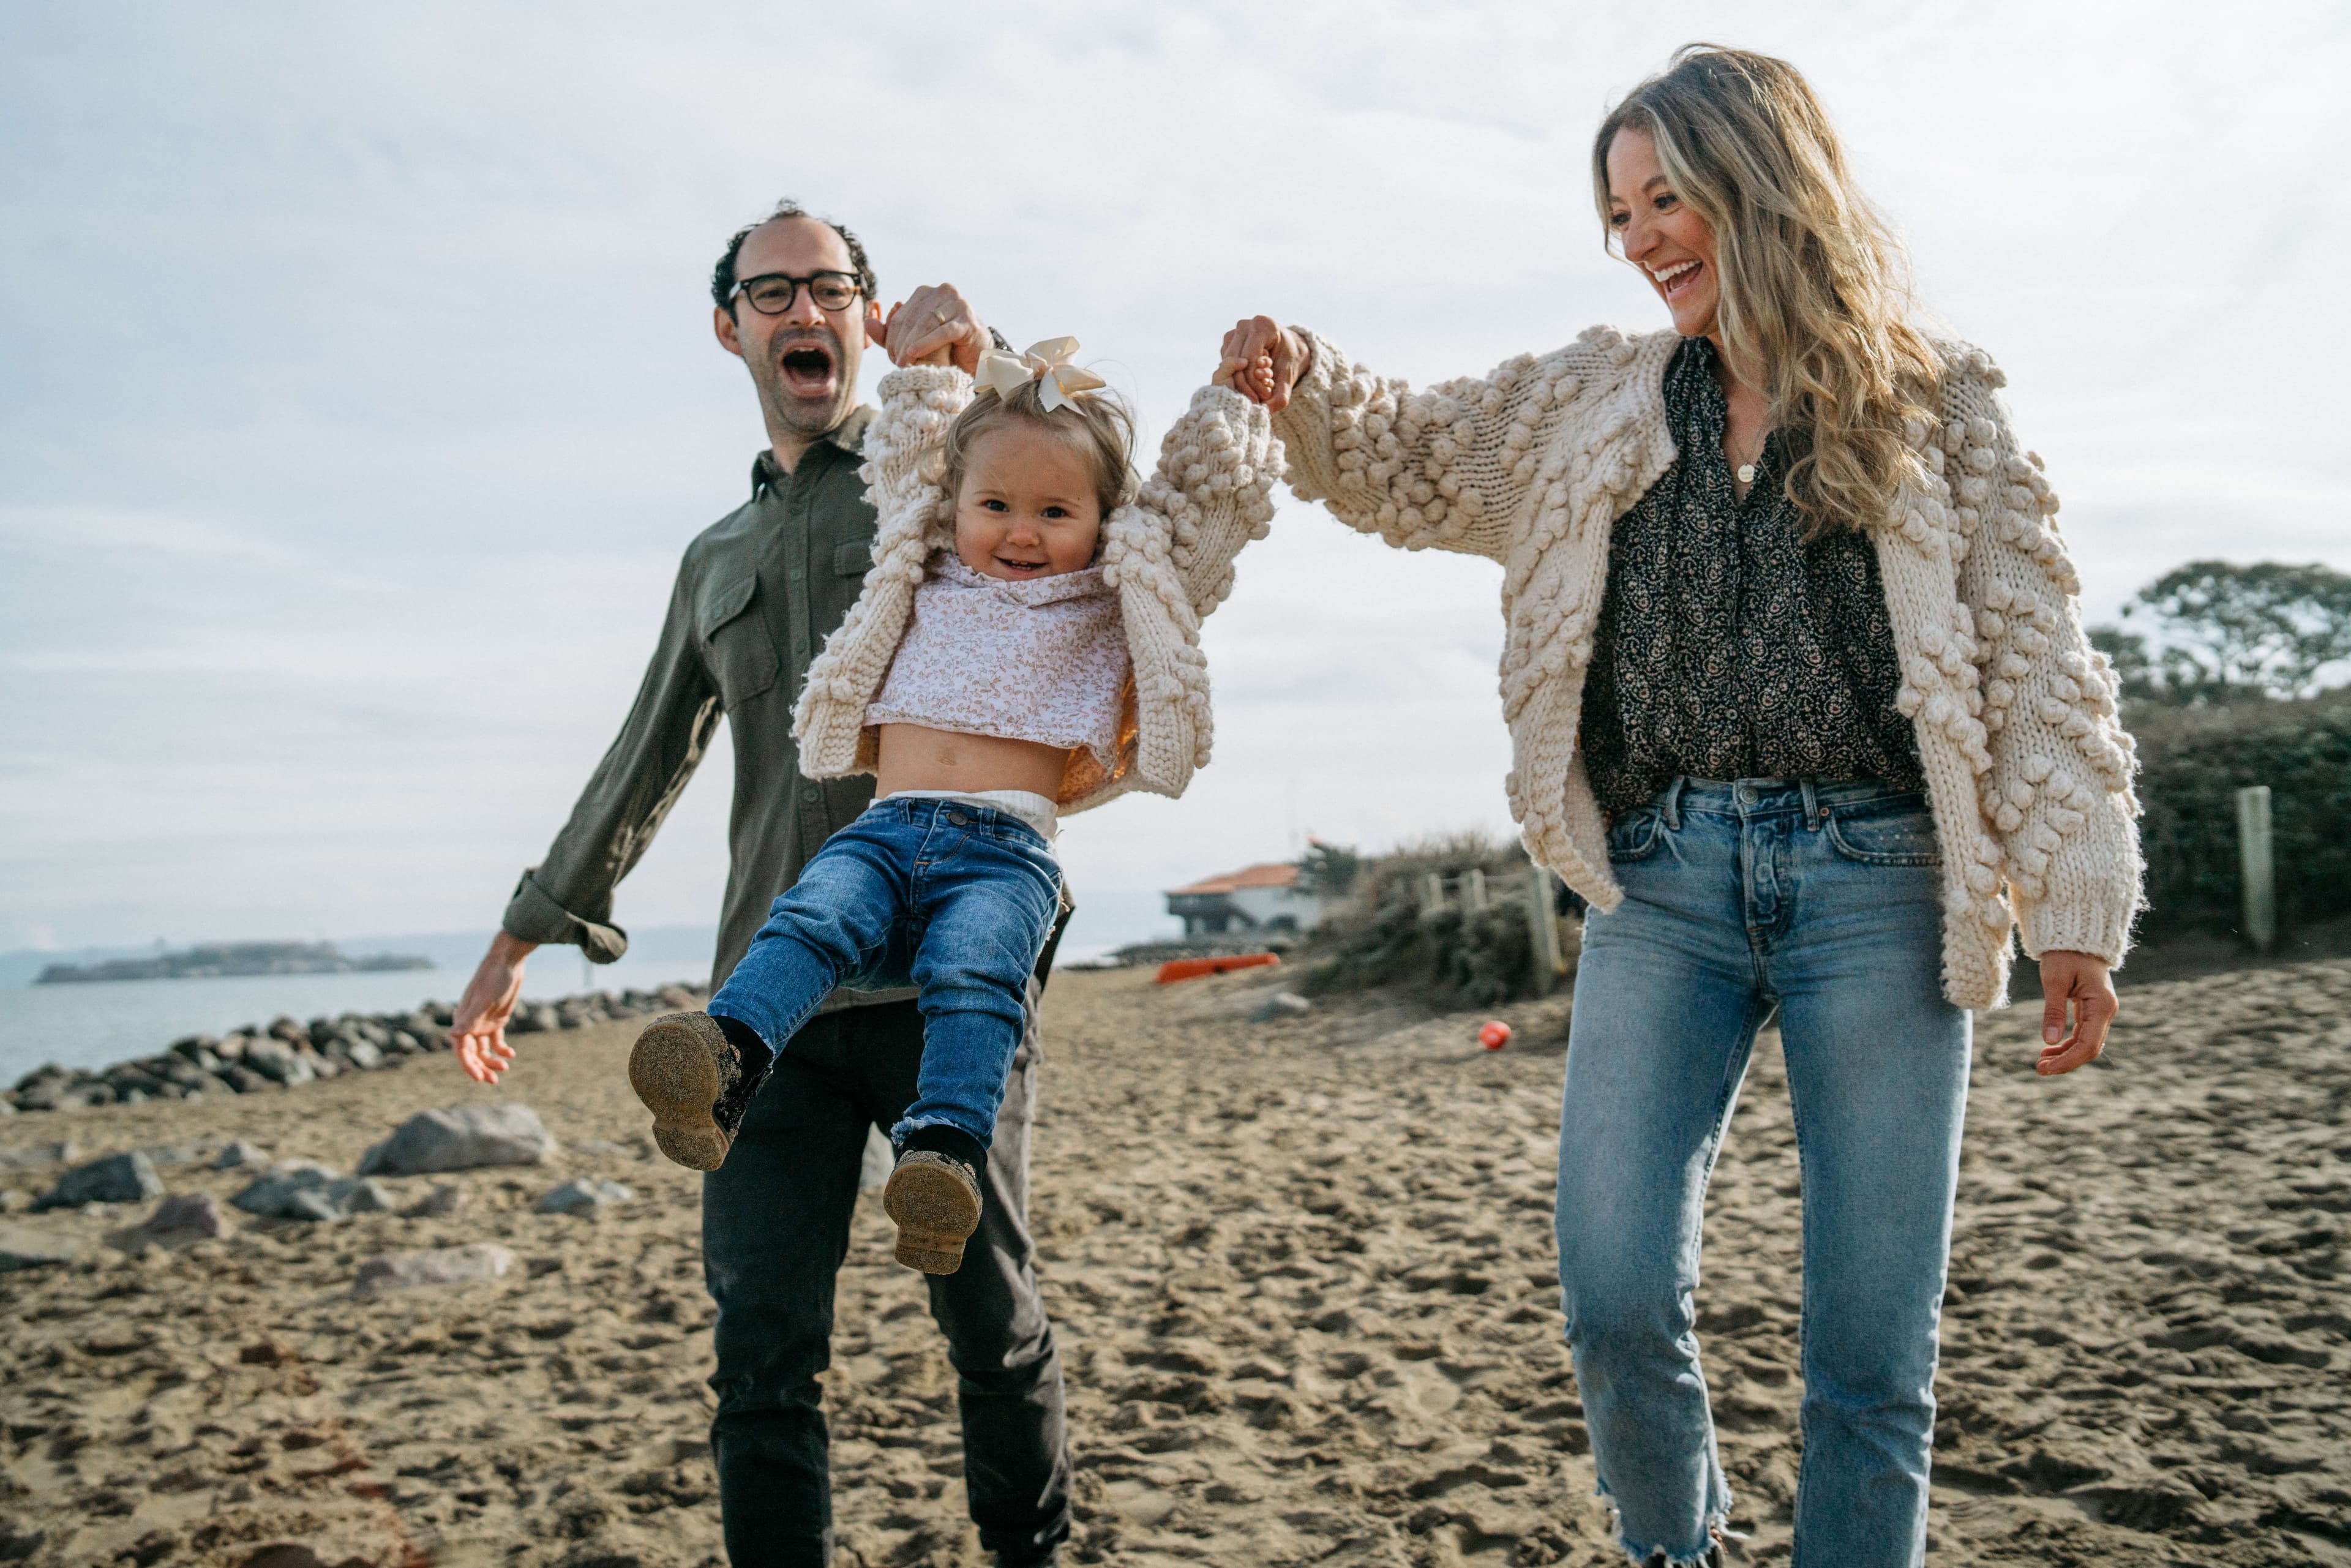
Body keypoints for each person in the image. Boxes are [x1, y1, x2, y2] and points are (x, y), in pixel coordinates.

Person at [1219, 44, 2142, 1568]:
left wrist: (2080, 911)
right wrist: (1306, 381)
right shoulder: (1592, 400)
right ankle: (1677, 1550)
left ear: (1763, 184)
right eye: (1621, 212)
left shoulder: (1937, 402)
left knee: (1871, 1354)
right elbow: (1408, 458)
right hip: (1663, 887)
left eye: (1666, 199)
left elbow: (2042, 657)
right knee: (1615, 1292)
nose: (1642, 237)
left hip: (1884, 884)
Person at [444, 200, 1072, 1568]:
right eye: (772, 292)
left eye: (831, 288)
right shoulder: (712, 560)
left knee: (990, 1317)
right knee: (762, 1356)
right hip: (768, 1009)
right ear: (728, 326)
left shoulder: (943, 473)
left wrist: (983, 347)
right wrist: (516, 943)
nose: (805, 312)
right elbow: (642, 756)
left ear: (868, 310)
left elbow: (1076, 460)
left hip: (940, 982)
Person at [624, 332, 1277, 1275]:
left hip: (1006, 853)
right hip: (885, 827)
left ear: (1103, 518)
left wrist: (1235, 402)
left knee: (978, 981)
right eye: (998, 505)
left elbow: (1206, 510)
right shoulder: (921, 558)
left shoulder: (1111, 592)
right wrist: (935, 361)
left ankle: (943, 1155)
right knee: (810, 920)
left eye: (1056, 510)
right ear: (955, 503)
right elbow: (908, 440)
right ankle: (724, 1061)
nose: (1022, 530)